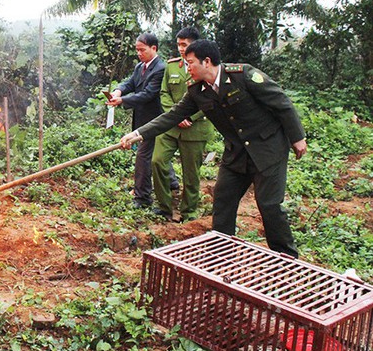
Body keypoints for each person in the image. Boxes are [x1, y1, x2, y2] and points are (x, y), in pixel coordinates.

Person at [120, 39, 307, 257]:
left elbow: (281, 102)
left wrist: (297, 137)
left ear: (206, 62)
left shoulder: (243, 75)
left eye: (190, 63)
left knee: (269, 205)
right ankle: (221, 252)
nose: (187, 68)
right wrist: (138, 134)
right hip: (236, 153)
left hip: (268, 149)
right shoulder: (197, 90)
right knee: (223, 200)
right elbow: (172, 116)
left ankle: (287, 258)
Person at [151, 27, 214, 222]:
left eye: (184, 45)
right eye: (178, 44)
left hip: (195, 129)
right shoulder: (172, 67)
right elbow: (164, 93)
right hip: (171, 126)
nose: (180, 48)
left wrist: (191, 117)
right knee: (157, 161)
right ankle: (164, 207)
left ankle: (188, 212)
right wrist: (176, 115)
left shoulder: (205, 67)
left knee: (191, 173)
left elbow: (211, 98)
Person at [107, 33, 166, 209]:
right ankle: (171, 183)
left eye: (142, 50)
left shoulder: (161, 69)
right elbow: (130, 83)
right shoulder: (140, 67)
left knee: (143, 156)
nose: (139, 53)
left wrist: (123, 100)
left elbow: (148, 94)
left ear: (153, 48)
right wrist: (118, 91)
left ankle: (142, 197)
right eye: (137, 50)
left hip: (154, 119)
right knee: (154, 155)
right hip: (141, 118)